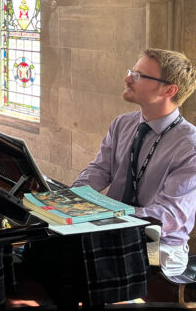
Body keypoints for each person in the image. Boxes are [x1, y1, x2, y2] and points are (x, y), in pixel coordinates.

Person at [73, 49, 196, 278]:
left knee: (85, 271)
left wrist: (109, 215)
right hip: (111, 230)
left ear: (169, 90)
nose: (127, 78)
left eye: (139, 75)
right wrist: (71, 197)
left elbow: (170, 215)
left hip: (159, 246)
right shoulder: (122, 123)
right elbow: (99, 170)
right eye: (131, 72)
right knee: (50, 249)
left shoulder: (190, 146)